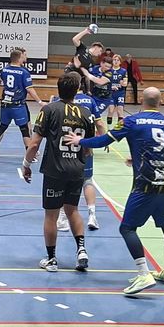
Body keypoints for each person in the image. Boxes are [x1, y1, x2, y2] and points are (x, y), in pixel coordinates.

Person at [65, 87, 164, 295]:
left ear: (141, 100)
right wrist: (138, 159)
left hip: (145, 186)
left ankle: (144, 273)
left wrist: (80, 141)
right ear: (160, 102)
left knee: (127, 228)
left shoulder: (131, 121)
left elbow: (103, 140)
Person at [22, 72, 95, 272]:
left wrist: (26, 164)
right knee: (72, 210)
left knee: (51, 215)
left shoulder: (49, 110)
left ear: (58, 89)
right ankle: (81, 250)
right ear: (77, 90)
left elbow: (34, 143)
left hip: (55, 170)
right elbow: (88, 148)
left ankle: (52, 259)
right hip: (77, 170)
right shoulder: (86, 113)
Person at [55, 85, 107, 232]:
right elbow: (99, 123)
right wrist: (104, 139)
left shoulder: (60, 101)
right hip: (85, 147)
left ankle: (63, 217)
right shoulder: (90, 101)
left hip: (65, 147)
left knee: (63, 181)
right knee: (87, 181)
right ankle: (92, 215)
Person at [0, 49, 46, 160]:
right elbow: (30, 89)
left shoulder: (5, 70)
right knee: (24, 129)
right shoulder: (24, 72)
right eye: (24, 56)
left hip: (5, 103)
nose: (26, 57)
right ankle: (30, 155)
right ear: (19, 58)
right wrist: (40, 102)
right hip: (18, 105)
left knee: (2, 126)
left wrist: (8, 88)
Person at [65, 25, 104, 94]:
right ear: (96, 47)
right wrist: (86, 31)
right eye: (100, 51)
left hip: (79, 80)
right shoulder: (83, 48)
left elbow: (87, 75)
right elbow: (74, 39)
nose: (100, 54)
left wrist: (88, 89)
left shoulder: (92, 62)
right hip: (71, 73)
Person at [107, 54, 128, 126]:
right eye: (114, 60)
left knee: (120, 111)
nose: (116, 61)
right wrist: (111, 87)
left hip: (120, 93)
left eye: (118, 60)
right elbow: (105, 82)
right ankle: (109, 128)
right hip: (111, 93)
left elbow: (125, 83)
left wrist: (122, 83)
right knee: (110, 110)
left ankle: (120, 128)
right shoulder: (109, 70)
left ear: (120, 62)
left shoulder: (123, 71)